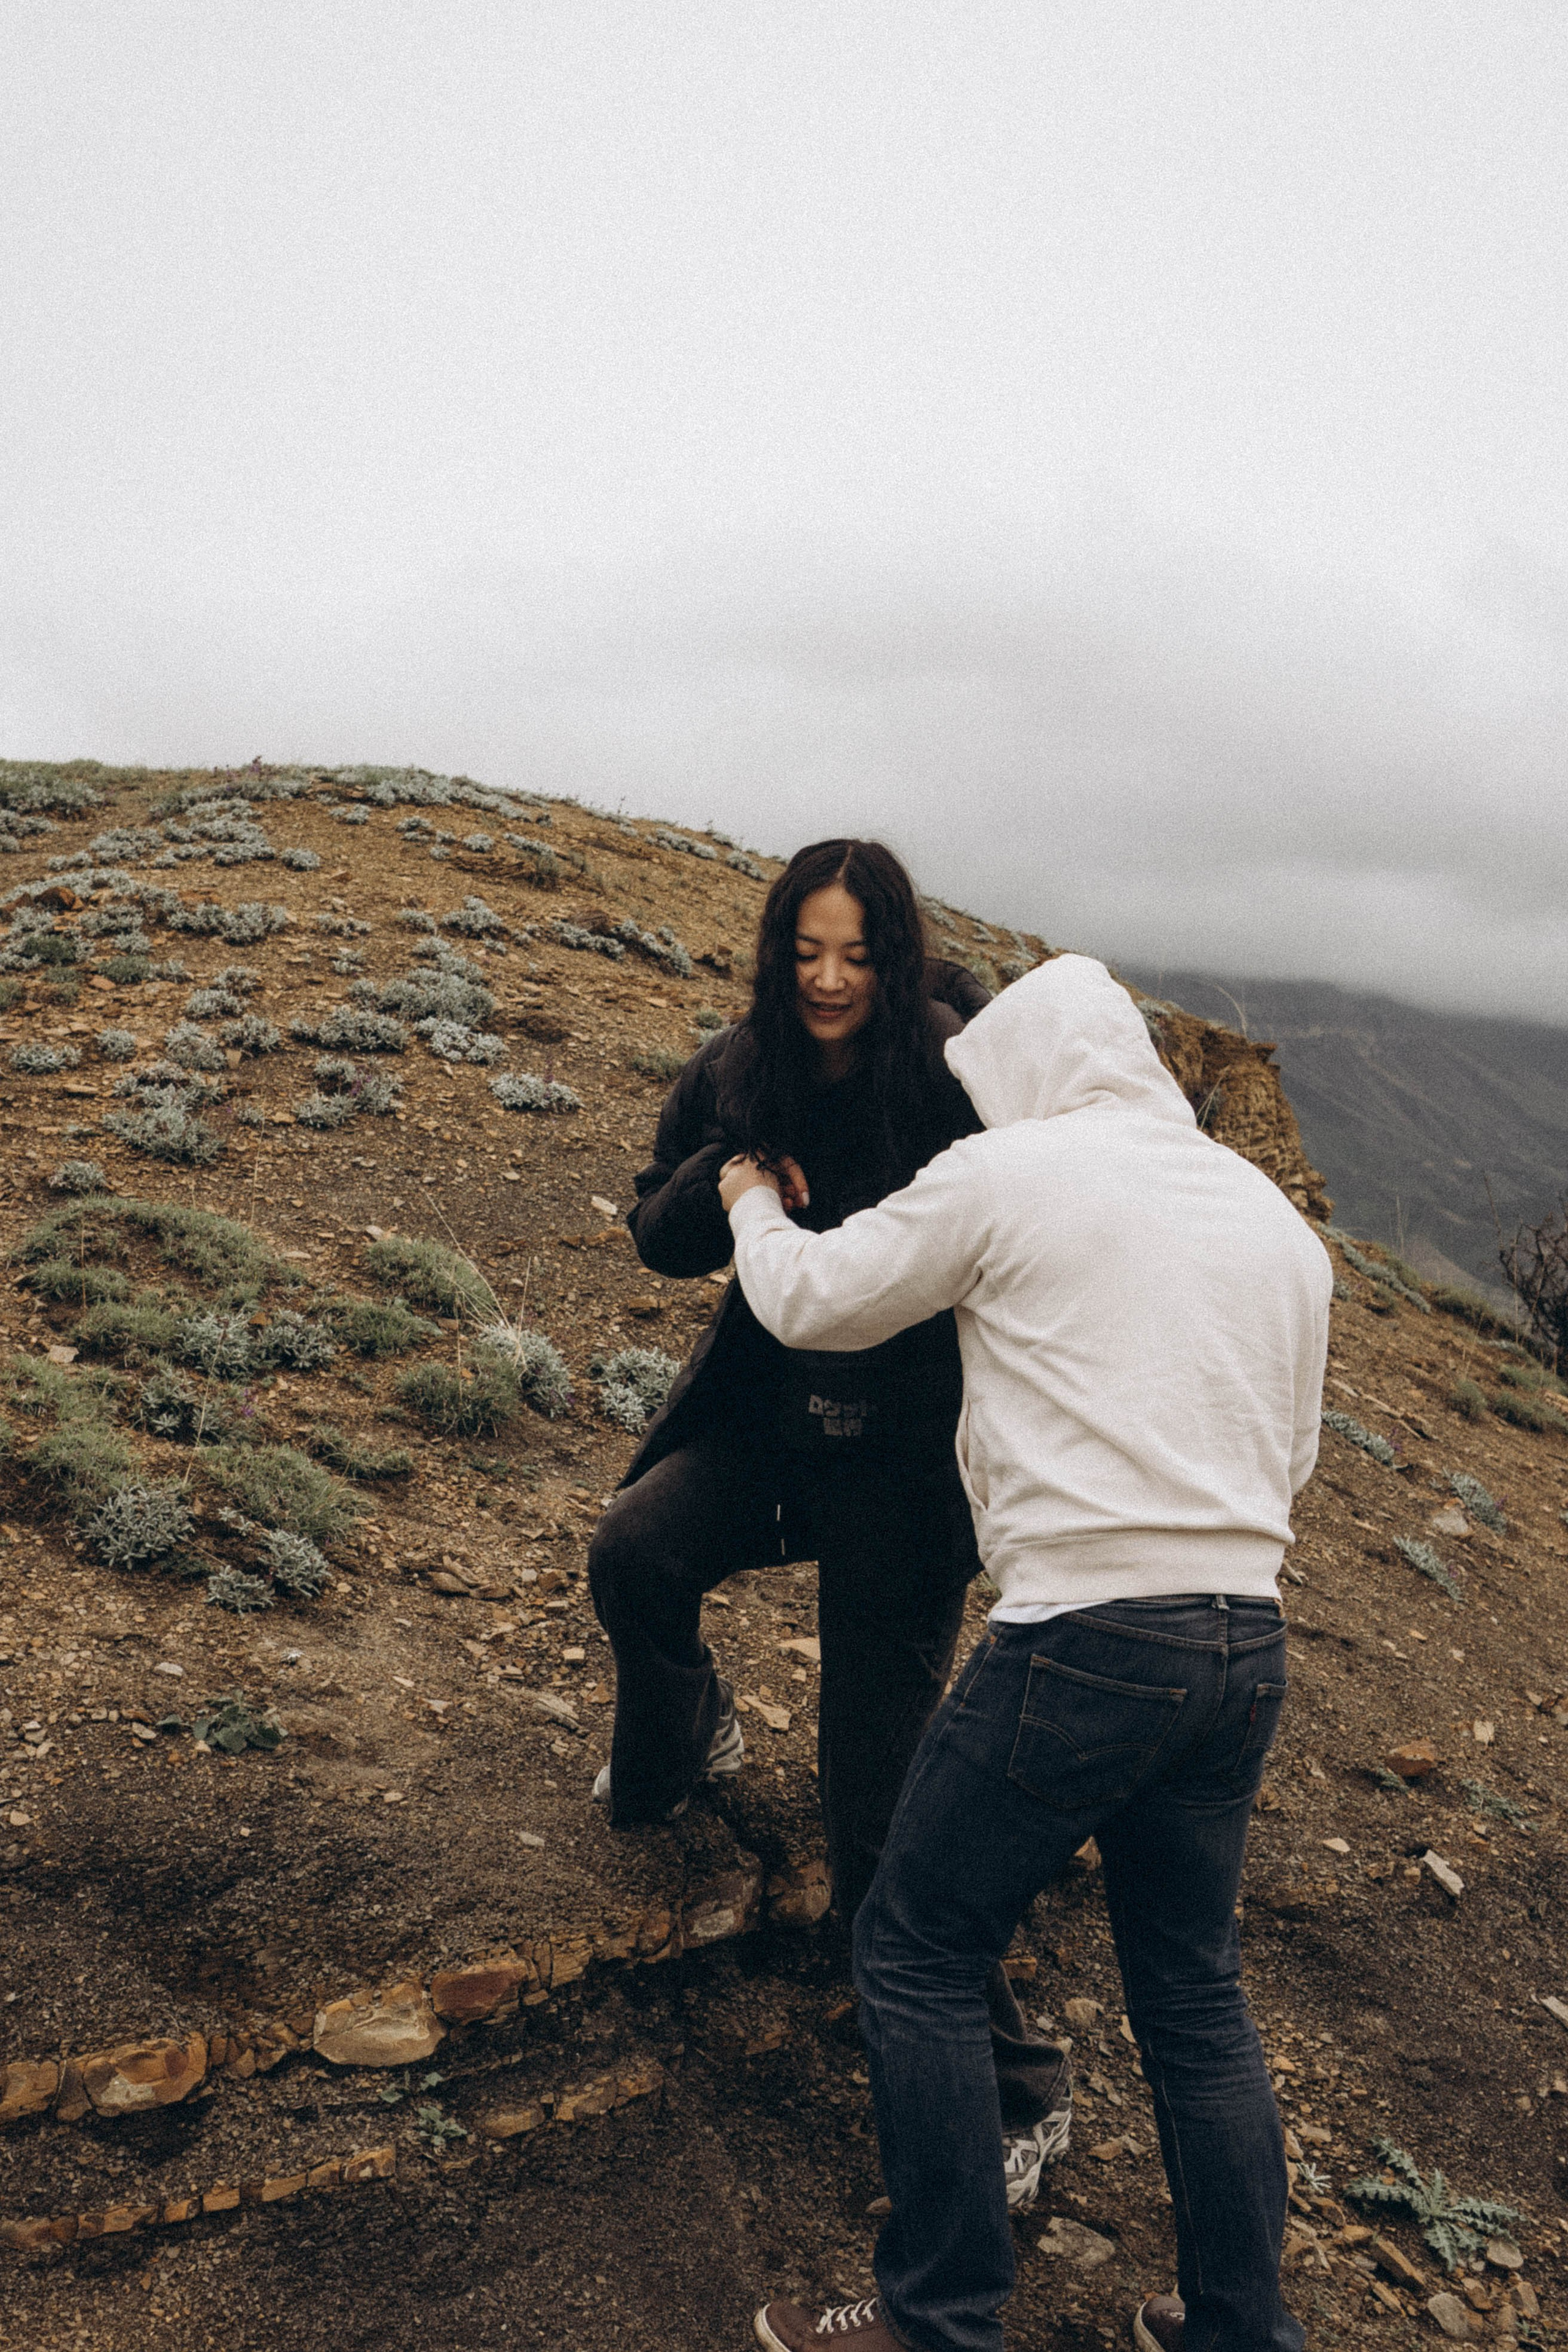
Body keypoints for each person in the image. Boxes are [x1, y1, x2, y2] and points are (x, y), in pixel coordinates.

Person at [720, 954, 1332, 2352]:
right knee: (1194, 1995)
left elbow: (811, 1300)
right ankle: (1240, 2328)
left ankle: (935, 2317)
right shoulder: (1271, 1221)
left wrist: (749, 1198)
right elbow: (1290, 1456)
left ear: (1021, 1072)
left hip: (1085, 1634)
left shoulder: (1009, 1174)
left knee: (916, 1948)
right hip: (1244, 1641)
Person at [587, 837, 1070, 2207]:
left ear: (897, 954)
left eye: (857, 953)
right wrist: (732, 1172)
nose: (829, 979)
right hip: (768, 1431)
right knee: (635, 1551)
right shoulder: (740, 1064)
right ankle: (686, 1733)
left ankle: (1017, 2094)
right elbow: (655, 1227)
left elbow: (1046, 1213)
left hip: (909, 1473)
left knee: (879, 1801)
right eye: (806, 951)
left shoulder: (958, 1073)